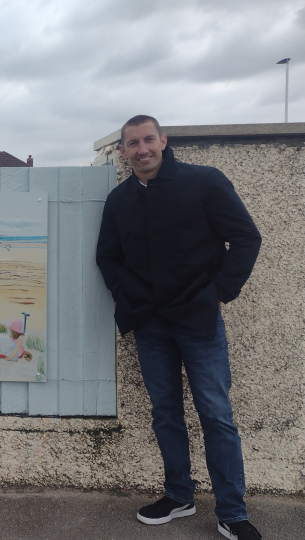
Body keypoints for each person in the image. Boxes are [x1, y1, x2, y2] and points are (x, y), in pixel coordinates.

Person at [96, 115, 263, 540]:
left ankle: (232, 513)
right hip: (150, 323)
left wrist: (219, 292)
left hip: (199, 320)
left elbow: (245, 237)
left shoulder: (204, 182)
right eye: (132, 143)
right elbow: (108, 258)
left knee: (216, 414)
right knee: (165, 412)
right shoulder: (119, 201)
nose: (142, 149)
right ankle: (179, 495)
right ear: (123, 151)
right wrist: (128, 298)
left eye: (148, 139)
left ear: (163, 141)